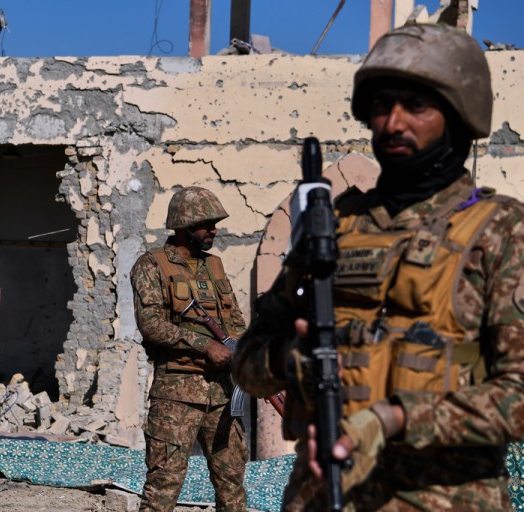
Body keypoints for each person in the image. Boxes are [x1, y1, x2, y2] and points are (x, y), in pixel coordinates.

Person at [232, 22, 524, 511]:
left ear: (459, 114)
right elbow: (247, 363)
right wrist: (293, 359)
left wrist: (395, 418)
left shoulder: (501, 231)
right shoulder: (333, 227)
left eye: (416, 106)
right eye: (382, 106)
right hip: (322, 496)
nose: (392, 123)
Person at [131, 186, 249, 512]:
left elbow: (235, 321)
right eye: (207, 224)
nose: (214, 230)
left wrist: (244, 350)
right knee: (163, 487)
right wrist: (203, 344)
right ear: (184, 226)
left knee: (232, 484)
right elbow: (151, 324)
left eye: (215, 224)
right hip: (176, 395)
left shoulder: (215, 267)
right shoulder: (151, 265)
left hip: (222, 394)